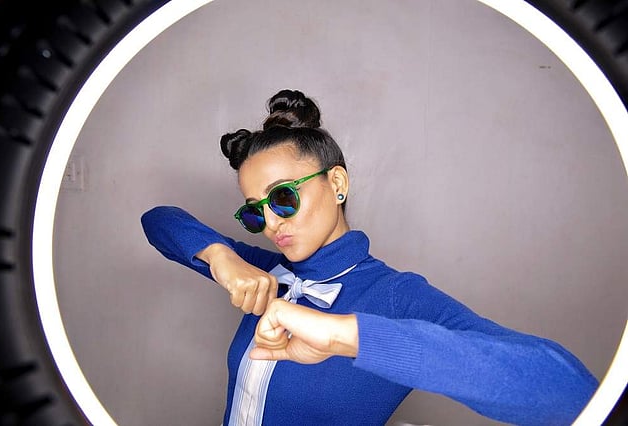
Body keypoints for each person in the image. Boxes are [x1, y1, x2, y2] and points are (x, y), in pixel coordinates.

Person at [141, 89, 598, 426]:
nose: (272, 222)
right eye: (254, 212)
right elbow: (158, 220)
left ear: (337, 184)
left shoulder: (396, 297)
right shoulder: (262, 274)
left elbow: (568, 392)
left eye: (282, 197)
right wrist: (219, 255)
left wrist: (346, 336)